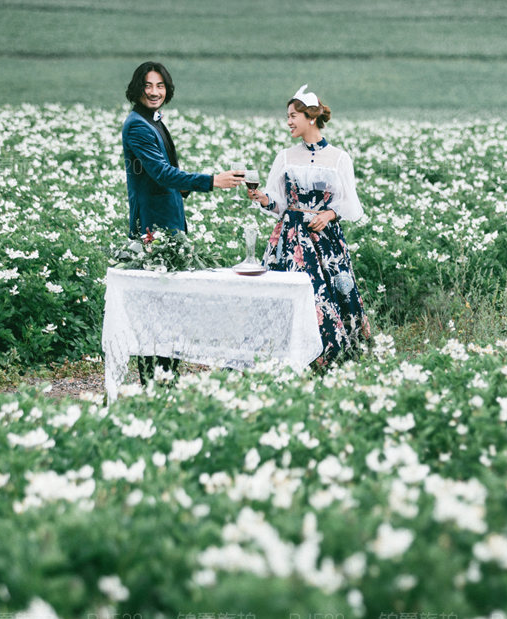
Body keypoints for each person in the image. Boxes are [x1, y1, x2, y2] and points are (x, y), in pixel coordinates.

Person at [121, 61, 244, 384]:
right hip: (153, 228)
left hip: (169, 223)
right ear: (137, 88)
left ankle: (166, 377)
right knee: (156, 306)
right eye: (148, 85)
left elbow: (165, 173)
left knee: (171, 304)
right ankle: (154, 380)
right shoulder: (137, 125)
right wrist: (210, 181)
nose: (154, 92)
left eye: (160, 86)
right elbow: (160, 173)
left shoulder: (154, 122)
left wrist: (192, 184)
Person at [247, 85, 370, 367]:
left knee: (329, 292)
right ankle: (284, 356)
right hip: (289, 240)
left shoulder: (339, 158)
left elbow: (350, 204)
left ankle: (331, 356)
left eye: (293, 116)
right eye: (287, 116)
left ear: (311, 117)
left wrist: (329, 214)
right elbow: (278, 203)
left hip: (324, 239)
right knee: (288, 293)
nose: (288, 122)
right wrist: (263, 198)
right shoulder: (285, 157)